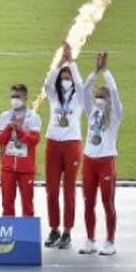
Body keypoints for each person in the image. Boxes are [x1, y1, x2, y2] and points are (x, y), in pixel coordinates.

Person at [79, 52, 120, 256]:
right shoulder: (91, 111)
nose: (98, 99)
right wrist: (95, 72)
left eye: (102, 97)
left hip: (106, 161)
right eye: (97, 96)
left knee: (107, 202)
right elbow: (85, 89)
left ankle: (110, 241)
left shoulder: (115, 114)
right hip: (89, 161)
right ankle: (89, 239)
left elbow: (114, 89)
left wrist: (106, 71)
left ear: (109, 100)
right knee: (89, 202)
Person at [42, 43, 83, 249]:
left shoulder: (79, 98)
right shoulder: (54, 97)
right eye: (63, 78)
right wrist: (60, 63)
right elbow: (47, 84)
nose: (65, 81)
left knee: (68, 190)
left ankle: (67, 230)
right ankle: (54, 228)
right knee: (51, 190)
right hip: (53, 144)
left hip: (72, 144)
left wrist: (72, 62)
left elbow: (82, 84)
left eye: (69, 78)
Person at [0, 84, 41, 217]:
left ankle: (27, 236)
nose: (14, 99)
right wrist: (10, 127)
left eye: (17, 96)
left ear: (25, 97)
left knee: (27, 205)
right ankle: (9, 235)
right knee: (7, 204)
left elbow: (34, 140)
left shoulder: (33, 117)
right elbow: (0, 140)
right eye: (12, 97)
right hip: (8, 167)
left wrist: (19, 129)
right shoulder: (5, 116)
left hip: (26, 168)